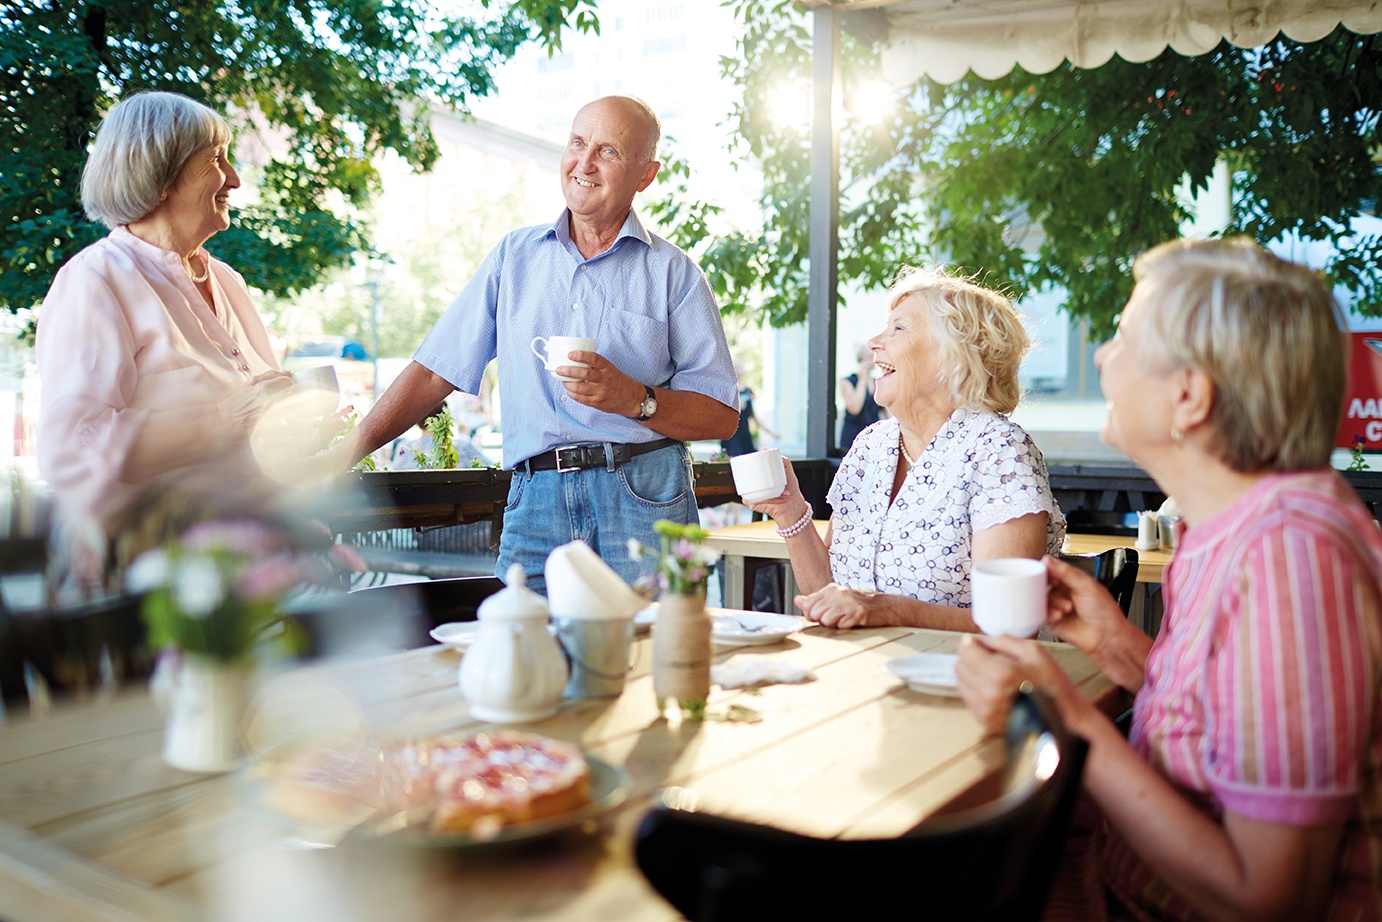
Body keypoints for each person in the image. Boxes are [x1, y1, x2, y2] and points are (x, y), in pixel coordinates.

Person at [958, 238, 1382, 921]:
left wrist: (1064, 720)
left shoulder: (1292, 556)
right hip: (1121, 875)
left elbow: (1268, 898)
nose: (1099, 357)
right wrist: (1117, 645)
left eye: (1122, 338)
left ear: (1188, 395)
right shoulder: (1233, 532)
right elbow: (1230, 722)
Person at [344, 96, 738, 592]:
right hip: (536, 499)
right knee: (525, 655)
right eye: (577, 143)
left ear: (646, 175)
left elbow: (721, 415)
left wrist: (635, 399)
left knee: (656, 657)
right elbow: (431, 371)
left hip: (644, 494)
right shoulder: (513, 257)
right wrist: (344, 454)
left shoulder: (674, 273)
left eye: (609, 151)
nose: (585, 163)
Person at [36, 91, 295, 545]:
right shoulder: (95, 280)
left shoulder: (227, 280)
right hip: (152, 571)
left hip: (248, 559)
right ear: (161, 177)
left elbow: (258, 428)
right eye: (217, 160)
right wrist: (226, 418)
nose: (234, 178)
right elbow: (72, 448)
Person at [748, 266, 1065, 629]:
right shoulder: (871, 444)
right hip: (859, 671)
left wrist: (890, 610)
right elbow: (828, 596)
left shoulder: (1000, 451)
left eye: (898, 327)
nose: (874, 342)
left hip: (957, 679)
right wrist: (790, 511)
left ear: (954, 355)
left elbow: (1010, 626)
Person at [721, 356, 776, 457]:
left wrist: (770, 432)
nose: (740, 369)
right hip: (732, 438)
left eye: (740, 366)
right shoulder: (725, 390)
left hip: (745, 436)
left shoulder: (747, 391)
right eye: (737, 367)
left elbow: (754, 416)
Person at [838, 345, 881, 453]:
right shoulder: (847, 381)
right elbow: (855, 408)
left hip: (873, 436)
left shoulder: (877, 382)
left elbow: (886, 410)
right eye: (870, 357)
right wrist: (863, 378)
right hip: (853, 435)